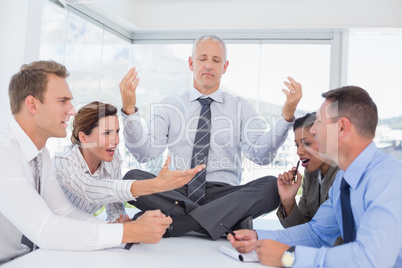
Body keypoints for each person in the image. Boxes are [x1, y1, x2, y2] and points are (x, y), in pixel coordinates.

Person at [0, 60, 199, 263]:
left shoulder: (41, 155)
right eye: (63, 101)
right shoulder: (4, 153)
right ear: (32, 104)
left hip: (28, 256)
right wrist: (128, 232)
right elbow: (47, 228)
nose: (72, 110)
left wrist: (122, 229)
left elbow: (64, 211)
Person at [119, 34, 303, 240]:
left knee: (271, 186)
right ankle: (225, 220)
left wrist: (286, 115)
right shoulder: (169, 106)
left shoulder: (241, 107)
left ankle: (179, 224)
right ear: (191, 63)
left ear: (224, 67)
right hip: (175, 191)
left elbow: (261, 156)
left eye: (216, 60)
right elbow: (145, 154)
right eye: (202, 58)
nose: (209, 65)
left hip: (224, 194)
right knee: (131, 179)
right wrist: (129, 110)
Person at [228, 86, 402, 267]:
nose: (313, 130)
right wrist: (258, 236)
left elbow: (371, 260)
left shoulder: (389, 180)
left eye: (319, 121)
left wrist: (289, 257)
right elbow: (318, 232)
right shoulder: (343, 180)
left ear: (342, 127)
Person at [53, 101, 204, 222]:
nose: (116, 141)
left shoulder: (111, 157)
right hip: (43, 237)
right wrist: (155, 185)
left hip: (77, 230)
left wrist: (119, 219)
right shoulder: (64, 162)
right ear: (84, 138)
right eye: (107, 133)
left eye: (117, 132)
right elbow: (89, 189)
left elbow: (114, 203)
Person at [276, 112, 340, 229]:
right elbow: (302, 230)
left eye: (306, 143)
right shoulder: (311, 174)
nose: (299, 152)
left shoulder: (343, 175)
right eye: (297, 145)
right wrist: (288, 201)